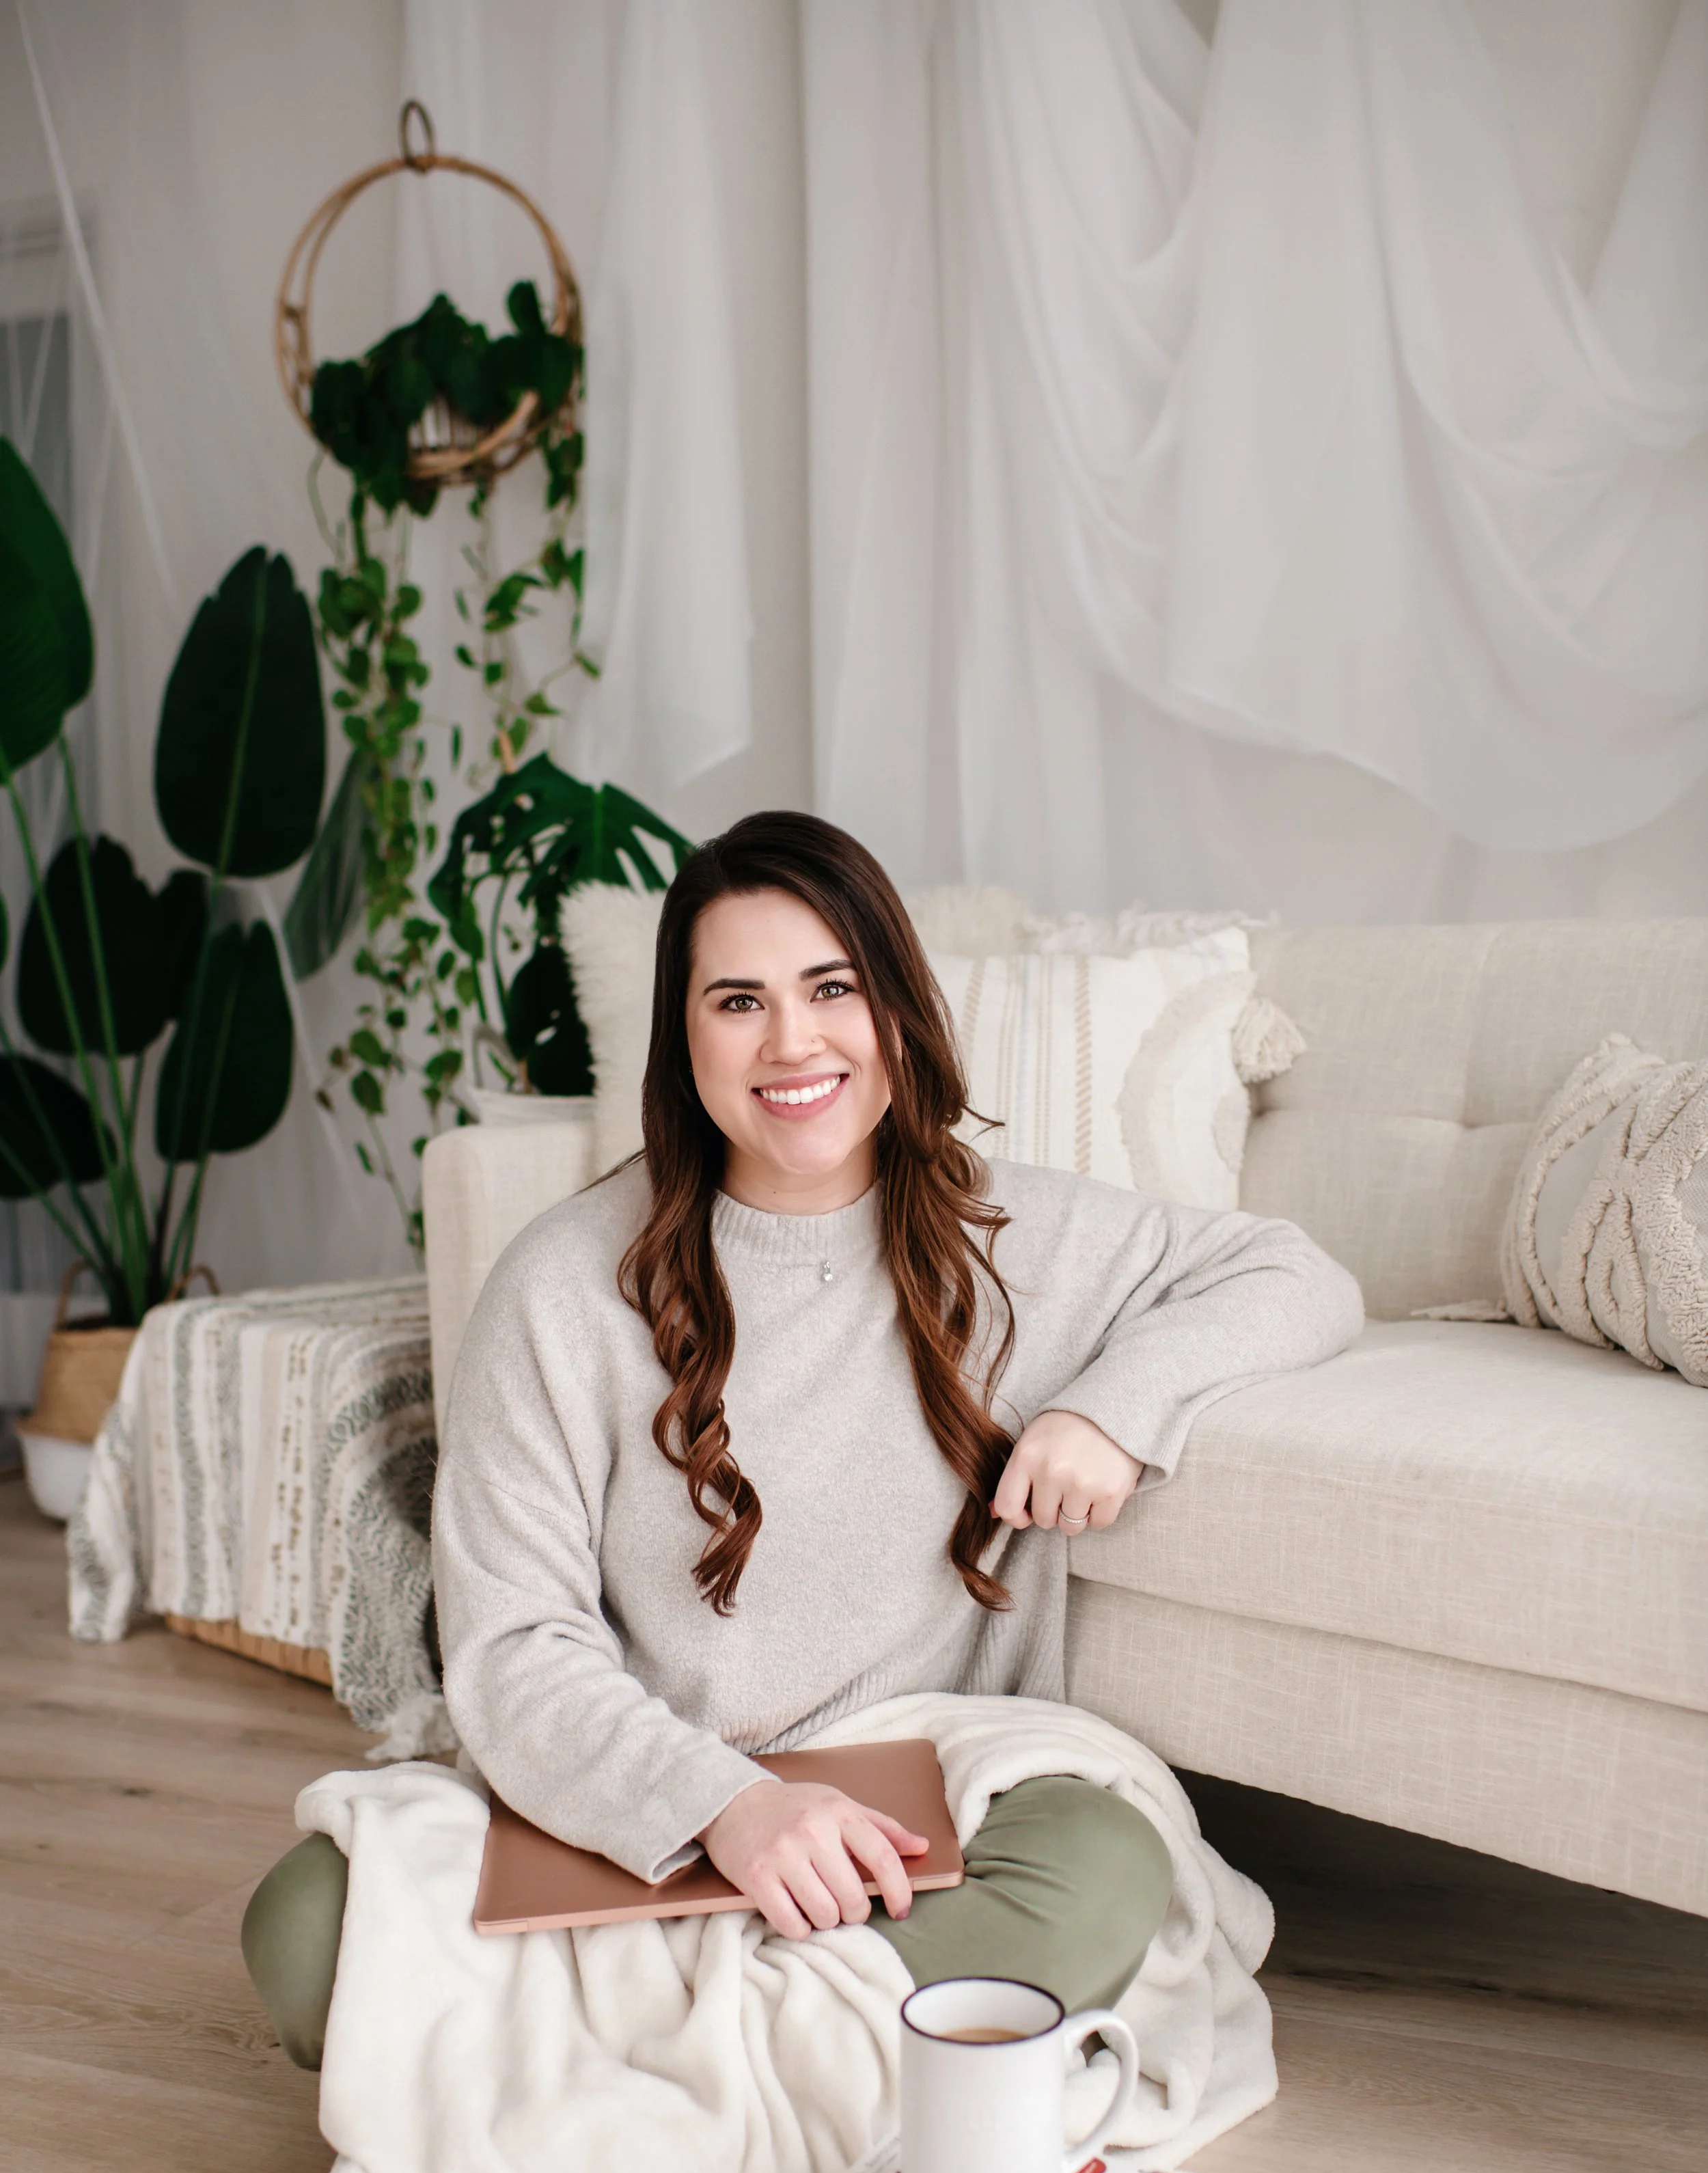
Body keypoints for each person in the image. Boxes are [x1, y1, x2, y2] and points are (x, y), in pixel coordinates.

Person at [243, 814, 1362, 2075]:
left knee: (1106, 1872)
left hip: (912, 1812)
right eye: (738, 1000)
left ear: (894, 1008)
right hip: (638, 1798)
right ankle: (820, 2063)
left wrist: (1112, 1409)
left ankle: (626, 2068)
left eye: (831, 987)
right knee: (306, 1931)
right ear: (686, 1038)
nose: (792, 1042)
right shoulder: (558, 1284)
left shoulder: (1014, 1235)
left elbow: (1296, 1274)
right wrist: (728, 1805)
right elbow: (511, 1651)